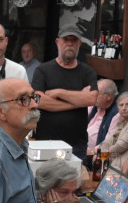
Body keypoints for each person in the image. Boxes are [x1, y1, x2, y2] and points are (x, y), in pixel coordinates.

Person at [32, 26, 99, 160]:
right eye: (66, 40)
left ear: (79, 43)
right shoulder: (42, 70)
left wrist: (59, 92)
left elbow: (91, 99)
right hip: (45, 142)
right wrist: (77, 101)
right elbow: (37, 100)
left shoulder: (87, 72)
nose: (69, 44)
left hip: (76, 145)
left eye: (74, 40)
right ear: (57, 42)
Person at [101, 91, 128, 172]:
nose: (124, 108)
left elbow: (120, 146)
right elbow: (109, 140)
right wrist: (101, 150)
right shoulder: (123, 120)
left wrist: (102, 153)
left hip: (122, 168)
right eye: (121, 105)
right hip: (114, 163)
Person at [86, 79, 121, 153]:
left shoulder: (116, 114)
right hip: (80, 146)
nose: (93, 96)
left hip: (93, 155)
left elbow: (107, 143)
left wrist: (89, 153)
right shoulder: (95, 105)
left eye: (97, 93)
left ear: (108, 96)